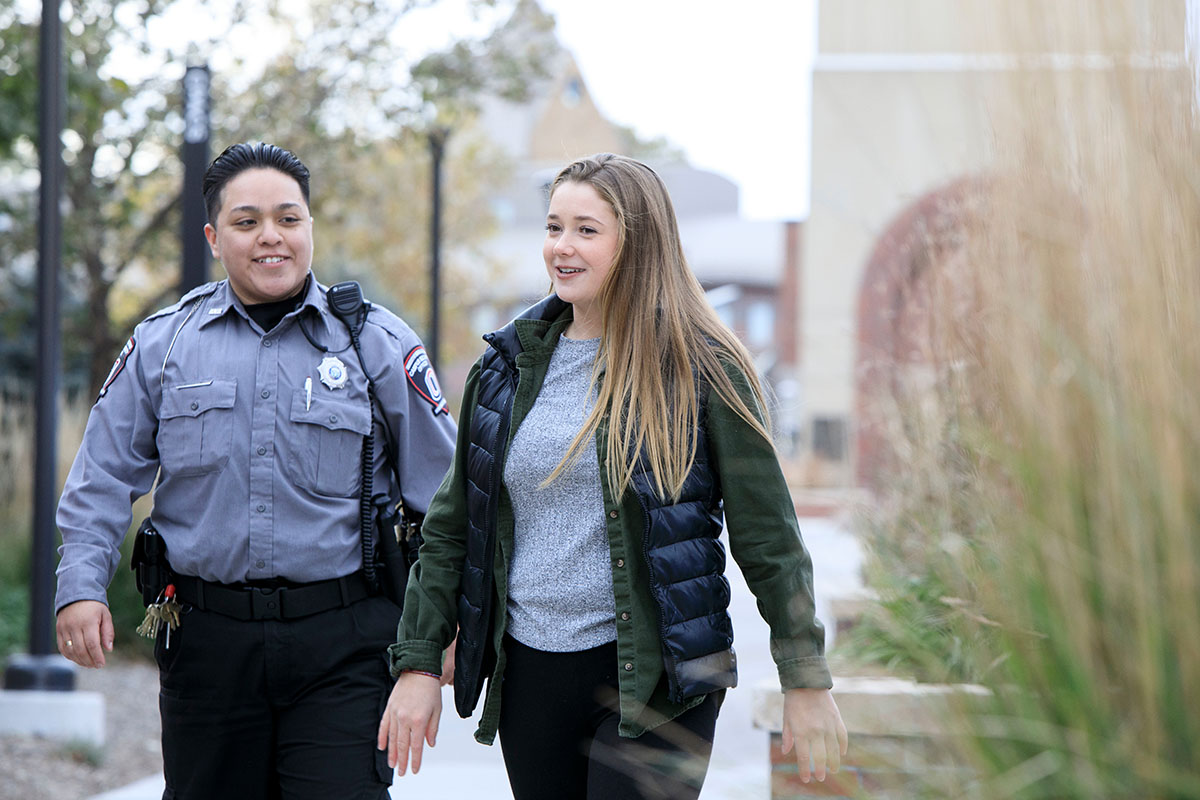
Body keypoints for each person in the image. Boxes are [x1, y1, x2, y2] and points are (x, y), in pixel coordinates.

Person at [378, 153, 847, 799]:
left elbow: (770, 539)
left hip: (662, 678)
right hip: (532, 679)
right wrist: (419, 664)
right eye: (554, 227)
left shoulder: (701, 368)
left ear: (638, 242)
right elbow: (451, 528)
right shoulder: (505, 370)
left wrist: (805, 676)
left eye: (586, 230)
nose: (562, 248)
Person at [54, 141, 457, 799]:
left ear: (310, 227)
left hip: (346, 641)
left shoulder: (377, 344)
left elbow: (446, 503)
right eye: (247, 222)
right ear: (215, 237)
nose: (271, 237)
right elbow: (101, 477)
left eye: (289, 219)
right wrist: (80, 587)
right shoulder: (165, 343)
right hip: (207, 644)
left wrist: (439, 638)